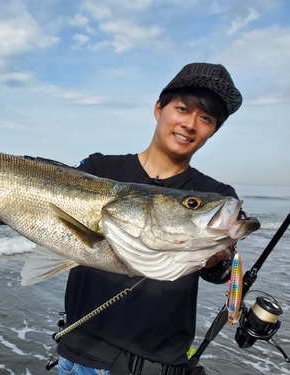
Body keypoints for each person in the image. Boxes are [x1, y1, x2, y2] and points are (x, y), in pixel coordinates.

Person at [56, 63, 243, 375]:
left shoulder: (216, 195)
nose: (190, 124)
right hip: (84, 359)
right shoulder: (99, 169)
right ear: (159, 108)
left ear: (214, 130)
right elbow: (41, 214)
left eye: (206, 118)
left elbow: (223, 271)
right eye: (183, 109)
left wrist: (217, 259)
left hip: (162, 365)